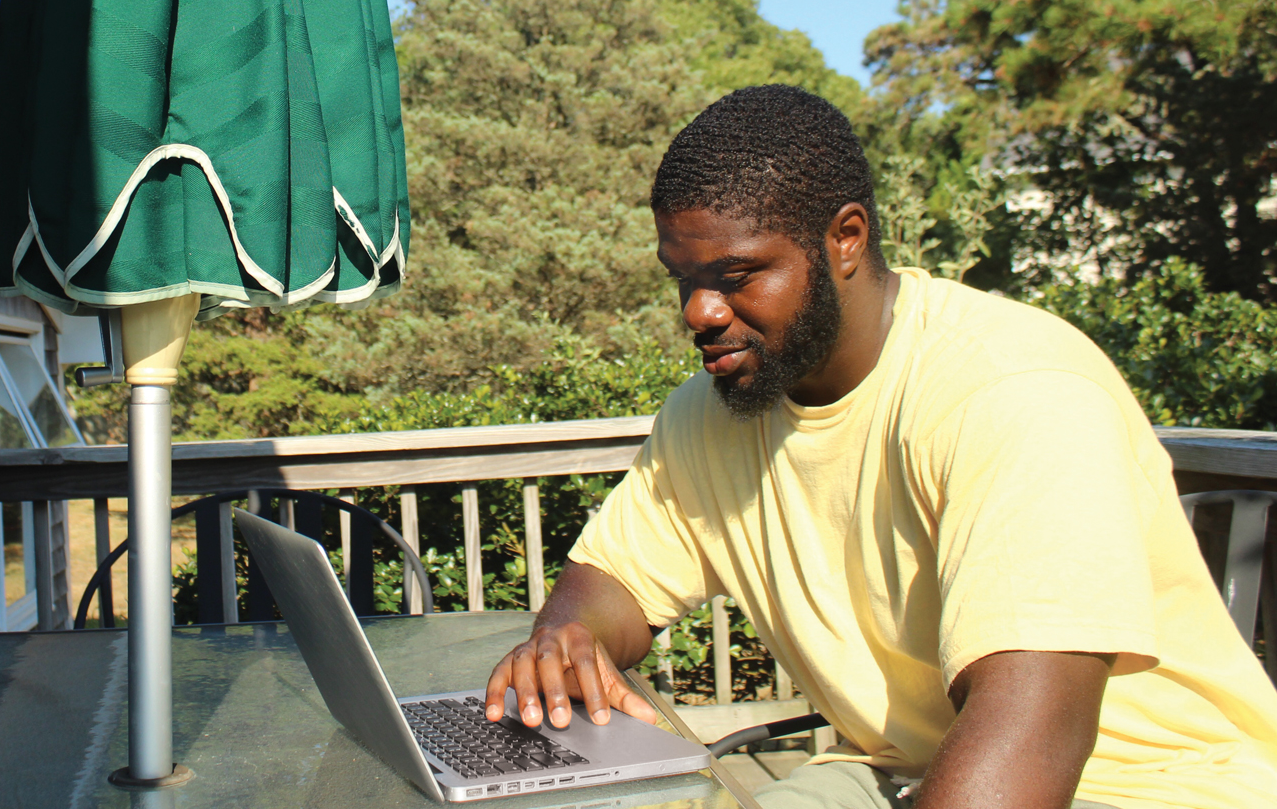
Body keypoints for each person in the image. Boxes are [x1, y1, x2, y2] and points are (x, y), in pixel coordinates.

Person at [483, 85, 1277, 809]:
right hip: (903, 771)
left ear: (846, 239)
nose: (698, 312)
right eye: (681, 280)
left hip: (1142, 785)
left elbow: (1025, 744)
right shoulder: (714, 413)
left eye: (736, 274)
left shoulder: (1011, 391)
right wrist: (569, 636)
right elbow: (613, 582)